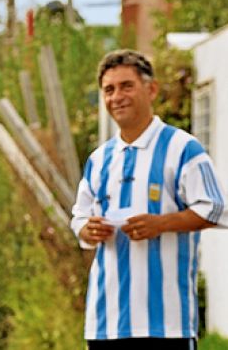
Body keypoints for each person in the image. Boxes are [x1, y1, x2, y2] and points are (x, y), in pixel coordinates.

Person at [72, 50, 227, 349]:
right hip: (106, 323)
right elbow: (79, 217)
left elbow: (217, 208)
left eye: (127, 86)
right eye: (109, 89)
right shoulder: (99, 159)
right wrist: (86, 229)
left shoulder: (183, 148)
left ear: (151, 89)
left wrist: (162, 223)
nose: (117, 96)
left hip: (167, 324)